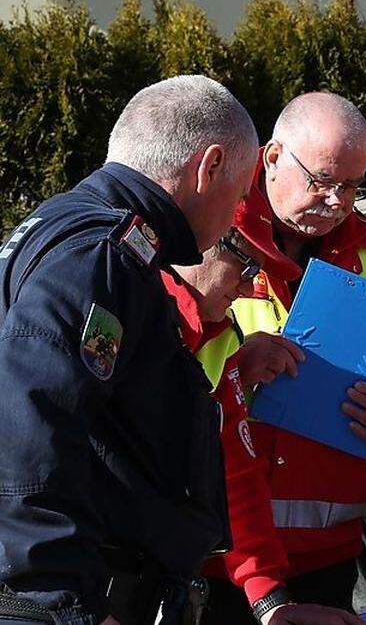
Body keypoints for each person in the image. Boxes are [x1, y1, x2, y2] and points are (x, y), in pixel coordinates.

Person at [0, 75, 258, 624]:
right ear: (208, 166)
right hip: (76, 600)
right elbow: (27, 427)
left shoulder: (68, 230)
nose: (234, 216)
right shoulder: (98, 255)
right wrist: (68, 604)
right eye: (238, 194)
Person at [203, 92, 366, 624]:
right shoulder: (210, 242)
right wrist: (239, 371)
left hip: (331, 547)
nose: (337, 202)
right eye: (322, 181)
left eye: (351, 186)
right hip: (219, 551)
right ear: (272, 158)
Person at [161, 211, 365, 625]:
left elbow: (236, 473)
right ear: (198, 243)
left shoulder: (217, 337)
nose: (249, 283)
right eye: (244, 263)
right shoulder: (138, 312)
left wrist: (269, 600)